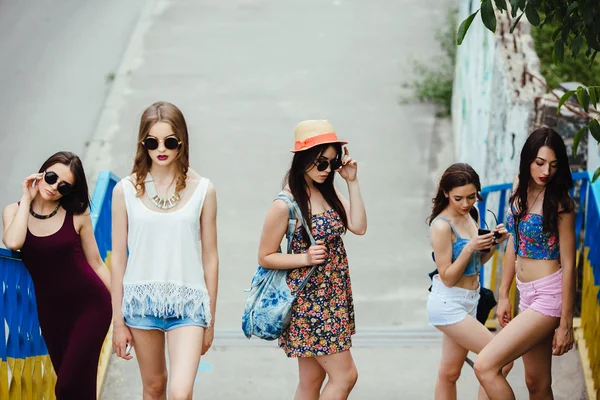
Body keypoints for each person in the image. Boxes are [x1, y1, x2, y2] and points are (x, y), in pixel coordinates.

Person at [111, 101, 218, 399]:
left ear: (182, 142)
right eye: (152, 142)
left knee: (180, 393)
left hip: (189, 304)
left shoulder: (204, 190)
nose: (161, 149)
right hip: (141, 303)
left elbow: (210, 257)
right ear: (142, 144)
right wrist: (118, 322)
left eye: (170, 142)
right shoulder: (125, 191)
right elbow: (118, 259)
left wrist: (210, 318)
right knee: (154, 386)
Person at [258, 120, 367, 400]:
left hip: (333, 296)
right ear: (303, 160)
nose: (328, 170)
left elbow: (359, 226)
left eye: (333, 162)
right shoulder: (285, 205)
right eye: (321, 163)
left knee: (312, 380)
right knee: (345, 376)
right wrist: (304, 257)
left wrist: (351, 181)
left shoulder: (327, 191)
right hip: (309, 301)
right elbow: (265, 256)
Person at [474, 128, 576, 400]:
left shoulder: (561, 203)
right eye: (540, 163)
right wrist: (504, 293)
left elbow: (569, 262)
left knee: (486, 366)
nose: (546, 171)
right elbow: (513, 243)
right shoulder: (519, 185)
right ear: (528, 160)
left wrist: (566, 322)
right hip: (526, 294)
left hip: (548, 296)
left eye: (553, 165)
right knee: (537, 383)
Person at [2, 151, 112, 399]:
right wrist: (26, 199)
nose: (54, 187)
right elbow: (13, 241)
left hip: (91, 307)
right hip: (51, 314)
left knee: (65, 387)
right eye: (51, 177)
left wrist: (121, 305)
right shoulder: (14, 211)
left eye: (63, 186)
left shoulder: (76, 214)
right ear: (40, 174)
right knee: (77, 388)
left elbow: (96, 263)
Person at [426, 163, 512, 400]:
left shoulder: (471, 215)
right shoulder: (441, 226)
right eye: (458, 198)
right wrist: (470, 247)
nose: (465, 204)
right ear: (445, 193)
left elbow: (476, 264)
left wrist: (494, 243)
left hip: (470, 301)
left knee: (450, 373)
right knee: (499, 361)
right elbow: (448, 277)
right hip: (448, 303)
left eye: (471, 197)